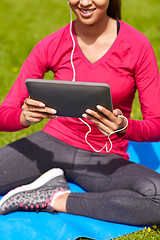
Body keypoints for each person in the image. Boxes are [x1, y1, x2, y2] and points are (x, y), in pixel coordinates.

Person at [0, 0, 160, 226]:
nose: (84, 2)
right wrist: (23, 117)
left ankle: (54, 197)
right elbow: (4, 113)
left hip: (103, 156)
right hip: (50, 146)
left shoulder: (136, 45)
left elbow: (157, 123)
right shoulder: (53, 43)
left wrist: (124, 127)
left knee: (158, 198)